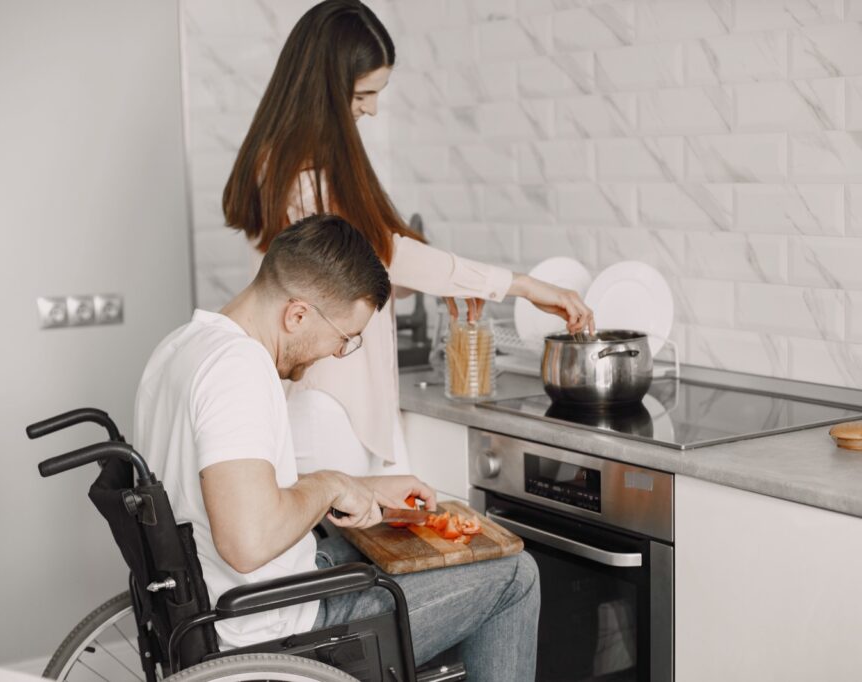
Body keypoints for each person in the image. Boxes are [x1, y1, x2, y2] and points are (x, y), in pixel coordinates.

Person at [134, 214, 540, 681]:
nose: (335, 352)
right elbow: (248, 543)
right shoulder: (238, 370)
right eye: (344, 338)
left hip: (222, 614)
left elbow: (222, 494)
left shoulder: (180, 347)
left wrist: (357, 486)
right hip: (273, 636)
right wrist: (329, 484)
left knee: (388, 546)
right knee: (515, 576)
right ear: (298, 314)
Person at [223, 0, 595, 477]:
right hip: (330, 405)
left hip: (332, 403)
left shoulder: (286, 164)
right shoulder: (307, 176)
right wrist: (518, 284)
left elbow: (356, 275)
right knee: (364, 546)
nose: (373, 109)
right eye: (362, 94)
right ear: (326, 89)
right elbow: (387, 255)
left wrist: (442, 285)